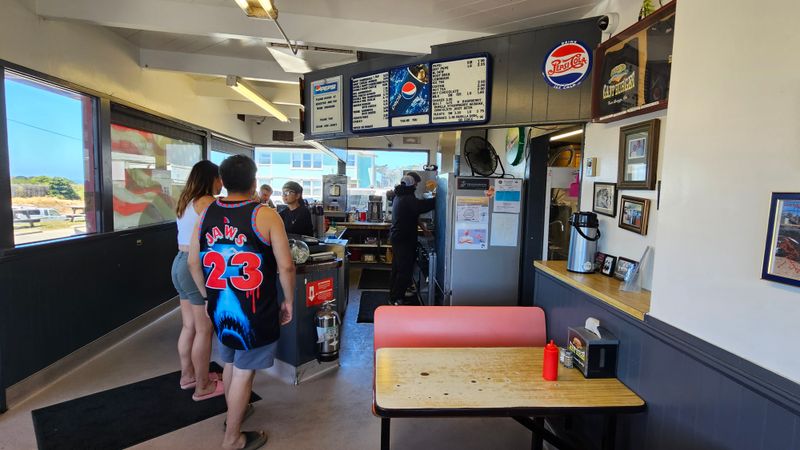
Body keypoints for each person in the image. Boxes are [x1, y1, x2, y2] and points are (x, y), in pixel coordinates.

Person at [188, 155, 295, 450]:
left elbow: (193, 262)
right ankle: (232, 437)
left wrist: (209, 297)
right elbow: (286, 266)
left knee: (232, 363)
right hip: (255, 310)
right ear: (253, 180)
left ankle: (236, 411)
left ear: (223, 180)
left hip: (221, 306)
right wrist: (288, 301)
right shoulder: (266, 215)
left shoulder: (206, 212)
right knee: (245, 371)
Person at [171, 160, 224, 400]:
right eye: (219, 178)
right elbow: (227, 224)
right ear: (211, 179)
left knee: (189, 326)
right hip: (196, 267)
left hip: (178, 263)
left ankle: (188, 376)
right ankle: (203, 386)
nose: (221, 183)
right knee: (204, 329)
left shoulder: (185, 201)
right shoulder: (207, 201)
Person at [389, 172, 435, 306]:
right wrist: (438, 199)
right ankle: (396, 299)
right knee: (405, 270)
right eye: (416, 184)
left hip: (398, 237)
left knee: (397, 268)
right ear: (411, 184)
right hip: (403, 238)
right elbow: (421, 207)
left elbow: (415, 214)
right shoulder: (407, 197)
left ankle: (394, 295)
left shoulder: (400, 195)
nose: (416, 186)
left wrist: (424, 229)